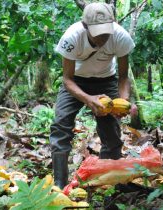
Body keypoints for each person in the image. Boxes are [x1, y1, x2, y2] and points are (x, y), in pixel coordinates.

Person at [50, 2, 135, 189]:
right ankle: (59, 184)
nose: (103, 37)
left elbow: (122, 77)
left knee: (111, 129)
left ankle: (110, 179)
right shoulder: (72, 37)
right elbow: (67, 79)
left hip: (106, 80)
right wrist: (88, 100)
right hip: (76, 82)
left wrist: (123, 100)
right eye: (98, 33)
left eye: (106, 32)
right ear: (85, 26)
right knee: (60, 126)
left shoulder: (121, 37)